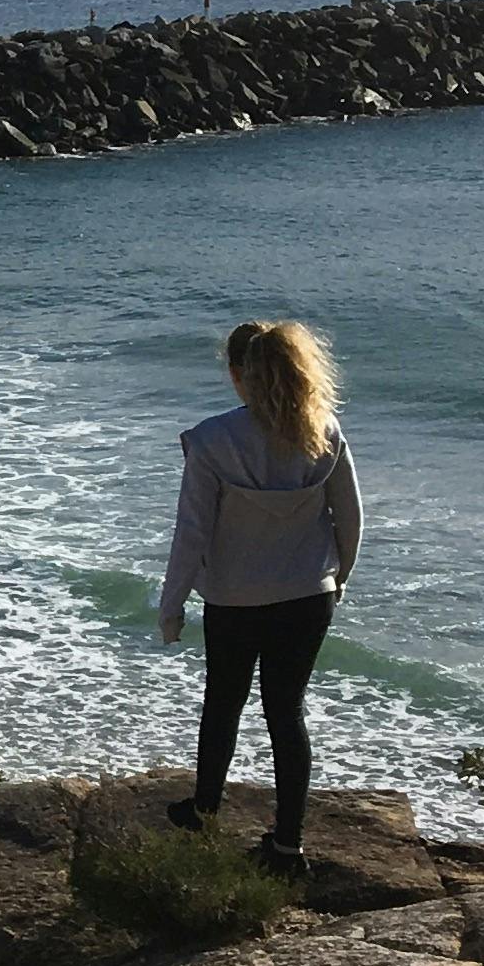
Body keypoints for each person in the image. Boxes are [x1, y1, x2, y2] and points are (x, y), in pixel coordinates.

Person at [156, 318, 361, 871]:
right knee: (286, 713)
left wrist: (171, 603)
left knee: (223, 704)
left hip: (234, 597)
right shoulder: (325, 432)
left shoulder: (211, 440)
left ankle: (204, 812)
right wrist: (337, 580)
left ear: (237, 374)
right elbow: (350, 520)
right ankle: (288, 844)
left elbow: (192, 531)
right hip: (306, 596)